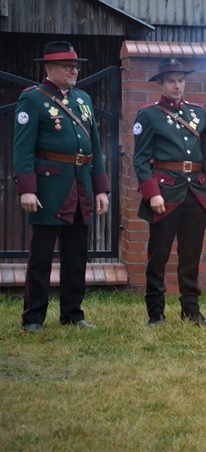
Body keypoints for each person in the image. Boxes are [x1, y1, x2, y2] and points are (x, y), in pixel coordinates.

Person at [13, 41, 111, 332]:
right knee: (41, 256)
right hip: (49, 188)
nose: (74, 70)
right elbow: (23, 149)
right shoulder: (32, 99)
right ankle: (33, 318)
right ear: (49, 68)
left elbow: (95, 145)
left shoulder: (83, 99)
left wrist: (101, 188)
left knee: (77, 254)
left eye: (76, 65)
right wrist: (27, 188)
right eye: (67, 66)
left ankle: (72, 314)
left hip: (80, 186)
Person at [132, 58, 206, 326]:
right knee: (158, 255)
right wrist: (151, 193)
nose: (177, 85)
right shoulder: (149, 115)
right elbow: (140, 159)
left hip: (195, 193)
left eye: (181, 80)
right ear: (160, 84)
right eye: (171, 80)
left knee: (191, 255)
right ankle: (155, 313)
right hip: (165, 194)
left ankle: (191, 311)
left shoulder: (198, 114)